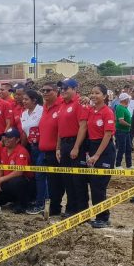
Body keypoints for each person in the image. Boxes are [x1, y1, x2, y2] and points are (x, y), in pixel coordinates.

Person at [0, 127, 34, 213]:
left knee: (16, 182)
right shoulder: (3, 150)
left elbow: (19, 172)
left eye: (10, 137)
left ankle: (22, 204)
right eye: (5, 137)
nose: (6, 139)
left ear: (17, 140)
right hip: (7, 181)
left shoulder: (21, 151)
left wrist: (1, 179)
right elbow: (1, 168)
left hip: (23, 183)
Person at [55, 78, 88, 216]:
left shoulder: (80, 103)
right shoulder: (61, 104)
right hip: (64, 144)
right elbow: (59, 128)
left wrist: (76, 147)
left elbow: (83, 126)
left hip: (75, 142)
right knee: (67, 178)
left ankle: (82, 211)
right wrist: (58, 147)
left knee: (78, 179)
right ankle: (71, 207)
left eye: (66, 88)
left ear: (75, 89)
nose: (63, 91)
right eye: (61, 88)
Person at [86, 84, 116, 228]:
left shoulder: (107, 112)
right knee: (93, 185)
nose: (94, 96)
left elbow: (108, 134)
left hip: (104, 151)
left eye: (97, 93)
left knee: (99, 186)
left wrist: (97, 155)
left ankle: (103, 217)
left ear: (104, 96)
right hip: (92, 148)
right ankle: (99, 215)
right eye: (92, 93)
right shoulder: (91, 111)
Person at [38, 82, 63, 216]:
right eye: (43, 90)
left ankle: (56, 207)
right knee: (51, 181)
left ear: (56, 91)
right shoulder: (45, 107)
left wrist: (58, 148)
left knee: (58, 182)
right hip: (45, 151)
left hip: (56, 151)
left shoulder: (61, 105)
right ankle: (54, 206)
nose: (45, 93)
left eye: (48, 90)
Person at [19, 90, 45, 215]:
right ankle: (38, 199)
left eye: (26, 99)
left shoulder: (41, 110)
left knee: (41, 175)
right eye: (23, 99)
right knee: (35, 175)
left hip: (43, 146)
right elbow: (25, 132)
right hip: (32, 146)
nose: (23, 101)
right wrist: (22, 148)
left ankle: (42, 203)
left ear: (34, 100)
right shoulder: (23, 114)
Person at [114, 93, 132, 169]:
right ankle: (118, 164)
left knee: (128, 147)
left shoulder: (124, 107)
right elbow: (121, 121)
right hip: (121, 131)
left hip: (126, 131)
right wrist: (130, 125)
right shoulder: (120, 108)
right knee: (122, 148)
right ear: (125, 100)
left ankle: (129, 164)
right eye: (128, 99)